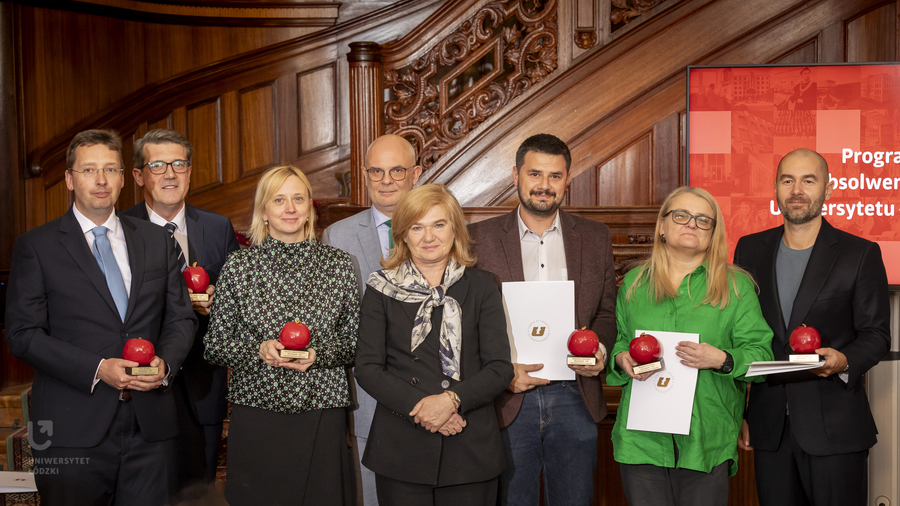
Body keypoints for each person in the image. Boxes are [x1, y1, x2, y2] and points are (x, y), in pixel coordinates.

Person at [5, 129, 197, 505]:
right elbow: (23, 334)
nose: (101, 179)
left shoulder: (157, 240)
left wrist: (165, 364)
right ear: (69, 179)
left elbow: (181, 318)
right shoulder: (37, 246)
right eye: (89, 169)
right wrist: (97, 368)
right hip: (71, 427)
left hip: (150, 426)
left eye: (110, 169)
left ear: (124, 178)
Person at [734, 148, 890, 506]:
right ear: (776, 188)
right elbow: (743, 336)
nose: (797, 190)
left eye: (808, 180)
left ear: (828, 189)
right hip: (769, 426)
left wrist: (844, 359)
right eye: (787, 180)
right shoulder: (749, 249)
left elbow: (877, 335)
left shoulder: (860, 253)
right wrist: (742, 413)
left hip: (835, 428)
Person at [467, 133, 616, 505]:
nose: (544, 185)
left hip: (575, 395)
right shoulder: (478, 238)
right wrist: (500, 372)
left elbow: (605, 312)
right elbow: (466, 321)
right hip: (507, 397)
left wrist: (598, 350)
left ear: (567, 180)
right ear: (515, 175)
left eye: (555, 175)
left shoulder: (595, 237)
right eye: (535, 174)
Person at [607, 186, 774, 506]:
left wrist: (723, 358)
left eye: (703, 220)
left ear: (713, 234)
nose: (692, 224)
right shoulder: (633, 284)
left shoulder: (736, 287)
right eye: (681, 216)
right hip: (641, 439)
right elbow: (620, 340)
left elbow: (761, 354)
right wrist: (621, 357)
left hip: (706, 438)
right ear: (662, 226)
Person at [203, 165, 359, 505]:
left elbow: (355, 342)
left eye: (298, 199)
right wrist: (258, 350)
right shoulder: (239, 267)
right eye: (279, 200)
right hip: (257, 410)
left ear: (309, 209)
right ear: (263, 211)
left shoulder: (339, 265)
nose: (290, 208)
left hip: (321, 407)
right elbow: (214, 345)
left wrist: (319, 354)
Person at [355, 184, 514, 505]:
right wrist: (426, 409)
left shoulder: (482, 285)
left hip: (469, 445)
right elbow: (367, 368)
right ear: (403, 235)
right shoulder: (380, 288)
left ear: (455, 229)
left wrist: (451, 401)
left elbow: (499, 368)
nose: (429, 237)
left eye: (438, 224)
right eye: (417, 227)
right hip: (402, 447)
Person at [121, 129, 240, 495]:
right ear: (139, 175)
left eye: (179, 164)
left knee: (198, 494)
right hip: (145, 385)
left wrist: (219, 303)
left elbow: (240, 304)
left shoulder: (217, 227)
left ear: (189, 171)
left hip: (204, 386)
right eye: (158, 165)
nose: (170, 174)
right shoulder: (120, 230)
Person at [321, 134, 422, 506]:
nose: (386, 180)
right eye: (376, 171)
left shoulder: (440, 230)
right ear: (365, 176)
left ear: (416, 174)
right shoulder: (337, 236)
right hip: (367, 396)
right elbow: (330, 320)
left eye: (397, 170)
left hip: (432, 390)